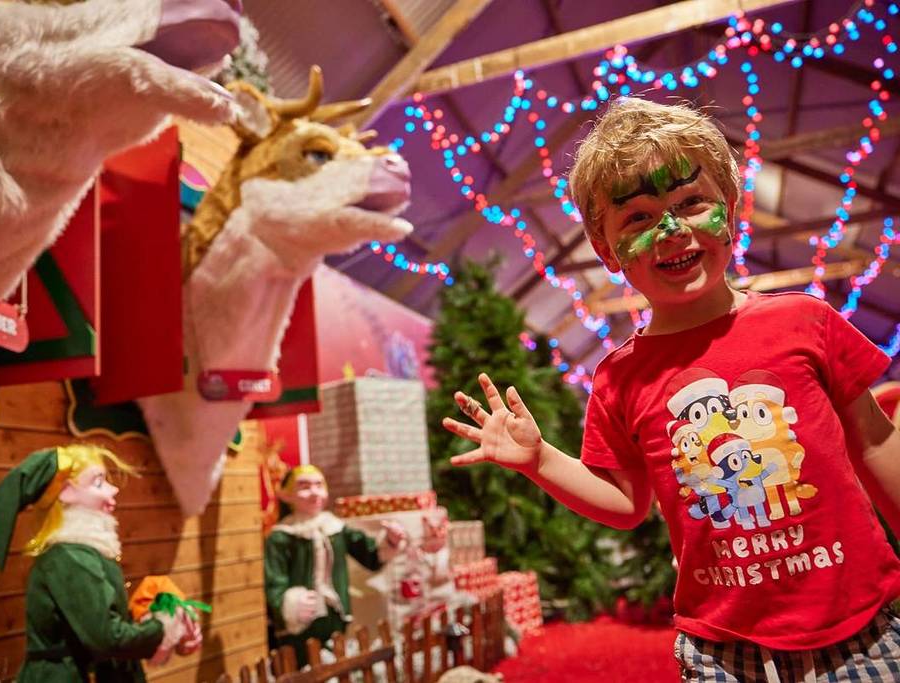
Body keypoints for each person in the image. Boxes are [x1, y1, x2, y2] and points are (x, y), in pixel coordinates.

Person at [443, 97, 900, 682]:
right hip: (724, 649)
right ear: (606, 250)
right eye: (636, 217)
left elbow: (876, 442)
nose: (670, 230)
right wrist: (540, 461)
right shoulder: (620, 377)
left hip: (863, 625)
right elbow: (627, 504)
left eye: (690, 203)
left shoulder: (805, 321)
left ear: (731, 211)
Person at [0, 444, 202, 682]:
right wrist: (162, 627)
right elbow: (106, 638)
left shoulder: (83, 553)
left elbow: (99, 622)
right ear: (67, 492)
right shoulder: (70, 558)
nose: (113, 490)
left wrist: (148, 617)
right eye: (98, 482)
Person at [264, 464, 407, 667]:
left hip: (335, 619)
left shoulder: (334, 527)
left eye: (319, 485)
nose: (314, 493)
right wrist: (289, 604)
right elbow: (274, 582)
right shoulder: (281, 537)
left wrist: (390, 541)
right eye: (304, 487)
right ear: (287, 495)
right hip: (300, 625)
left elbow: (371, 555)